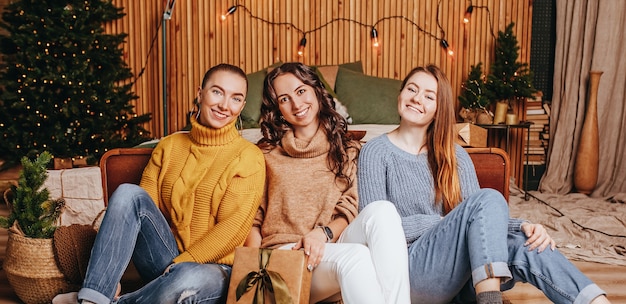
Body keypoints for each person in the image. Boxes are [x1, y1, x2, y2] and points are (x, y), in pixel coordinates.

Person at [357, 65, 612, 304]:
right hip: (409, 271)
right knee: (488, 198)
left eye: (428, 96)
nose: (416, 98)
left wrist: (524, 226)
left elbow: (480, 219)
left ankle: (595, 301)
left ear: (439, 108)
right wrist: (449, 222)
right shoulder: (375, 153)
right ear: (400, 94)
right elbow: (375, 231)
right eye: (411, 89)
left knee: (526, 245)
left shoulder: (455, 156)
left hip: (461, 279)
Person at [53, 63, 266, 304]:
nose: (225, 105)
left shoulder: (248, 157)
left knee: (188, 278)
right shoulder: (169, 146)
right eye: (217, 92)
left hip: (213, 270)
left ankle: (94, 302)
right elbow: (145, 212)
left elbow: (232, 230)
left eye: (236, 98)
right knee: (128, 194)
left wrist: (181, 264)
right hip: (162, 259)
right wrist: (171, 264)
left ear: (242, 106)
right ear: (200, 94)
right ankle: (96, 293)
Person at [244, 62, 410, 304]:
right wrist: (252, 273)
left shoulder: (347, 149)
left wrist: (323, 233)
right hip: (284, 254)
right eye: (284, 99)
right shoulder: (266, 154)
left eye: (301, 91)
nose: (297, 104)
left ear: (316, 90)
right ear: (277, 108)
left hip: (329, 242)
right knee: (356, 257)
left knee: (383, 211)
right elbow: (254, 220)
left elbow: (349, 208)